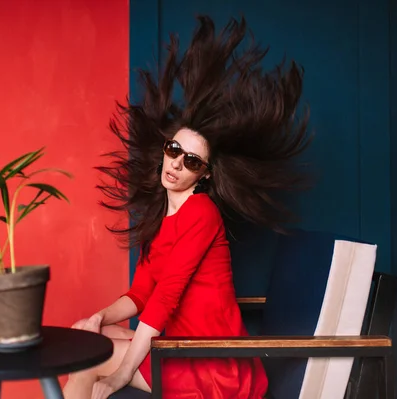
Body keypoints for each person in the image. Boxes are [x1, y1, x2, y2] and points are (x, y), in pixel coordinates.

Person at [63, 15, 312, 399]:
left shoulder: (201, 212)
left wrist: (118, 376)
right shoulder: (160, 217)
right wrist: (99, 317)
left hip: (212, 365)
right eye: (174, 150)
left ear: (205, 174)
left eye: (192, 161)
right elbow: (142, 293)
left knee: (86, 358)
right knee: (87, 336)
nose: (178, 163)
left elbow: (165, 300)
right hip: (177, 348)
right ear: (164, 151)